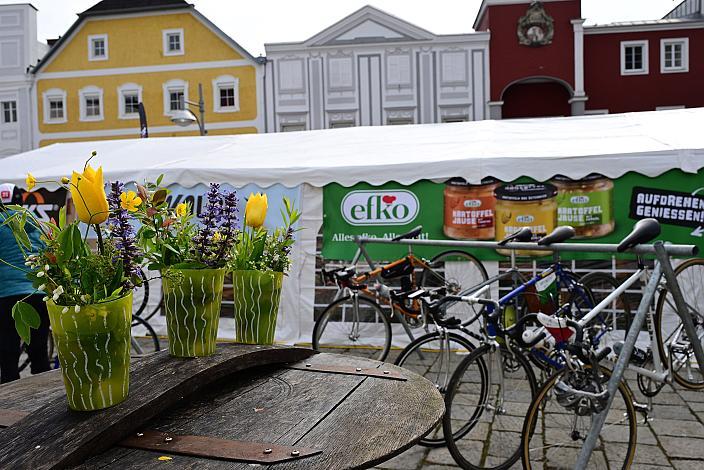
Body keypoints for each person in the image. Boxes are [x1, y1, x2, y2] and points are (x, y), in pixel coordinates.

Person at [0, 183, 51, 383]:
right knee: (39, 352)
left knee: (8, 353)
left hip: (5, 296)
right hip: (37, 293)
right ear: (21, 202)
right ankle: (46, 402)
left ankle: (10, 406)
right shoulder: (38, 224)